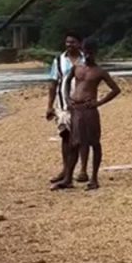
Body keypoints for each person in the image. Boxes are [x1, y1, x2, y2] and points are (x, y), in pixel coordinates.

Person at [55, 39, 120, 191]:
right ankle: (68, 178)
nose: (88, 55)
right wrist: (67, 99)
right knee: (74, 143)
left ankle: (94, 178)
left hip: (89, 110)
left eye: (91, 52)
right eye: (86, 52)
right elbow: (66, 82)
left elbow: (115, 90)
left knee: (94, 143)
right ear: (83, 51)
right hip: (76, 109)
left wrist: (99, 102)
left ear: (96, 53)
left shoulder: (99, 71)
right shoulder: (77, 67)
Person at [45, 31, 90, 184]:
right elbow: (53, 84)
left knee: (81, 138)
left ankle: (82, 169)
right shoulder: (58, 61)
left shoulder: (86, 59)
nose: (69, 45)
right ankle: (66, 169)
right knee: (65, 137)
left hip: (82, 104)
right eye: (67, 42)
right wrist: (49, 106)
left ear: (79, 43)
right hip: (63, 105)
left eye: (73, 42)